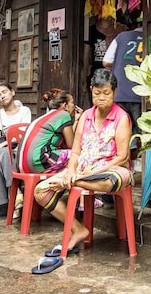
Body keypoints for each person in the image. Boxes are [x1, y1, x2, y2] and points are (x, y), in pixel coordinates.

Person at [32, 69, 133, 274]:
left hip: (111, 170)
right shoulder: (85, 116)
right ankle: (78, 230)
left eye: (106, 93)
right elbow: (76, 150)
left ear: (114, 92)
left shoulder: (121, 118)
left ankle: (76, 182)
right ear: (91, 91)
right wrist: (70, 172)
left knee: (110, 180)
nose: (101, 98)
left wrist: (78, 178)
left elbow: (122, 156)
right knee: (40, 190)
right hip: (83, 171)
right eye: (97, 93)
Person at [18, 89, 79, 175]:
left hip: (23, 166)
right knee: (79, 157)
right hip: (38, 162)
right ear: (65, 105)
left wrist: (76, 120)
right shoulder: (63, 115)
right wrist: (77, 120)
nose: (74, 106)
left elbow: (65, 144)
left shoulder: (48, 116)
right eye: (72, 103)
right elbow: (72, 145)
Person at [102, 27, 144, 128]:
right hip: (140, 93)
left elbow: (106, 62)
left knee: (123, 129)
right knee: (142, 131)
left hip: (120, 92)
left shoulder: (121, 37)